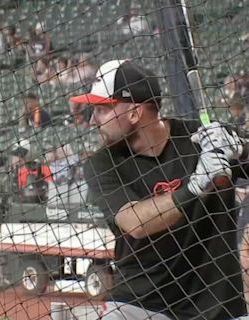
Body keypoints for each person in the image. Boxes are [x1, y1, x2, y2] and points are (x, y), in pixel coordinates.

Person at [70, 59, 247, 319]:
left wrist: (239, 149)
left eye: (102, 109)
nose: (93, 120)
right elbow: (135, 222)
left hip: (219, 308)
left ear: (134, 113)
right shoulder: (102, 163)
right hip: (139, 306)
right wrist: (196, 185)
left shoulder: (201, 139)